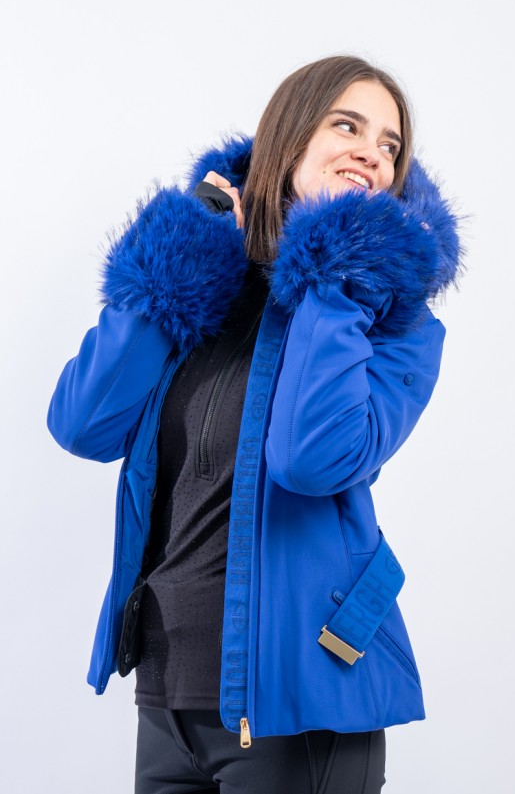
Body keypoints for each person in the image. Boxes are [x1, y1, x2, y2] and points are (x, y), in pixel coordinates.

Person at [47, 55, 462, 793]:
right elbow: (83, 423)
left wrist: (340, 270)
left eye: (390, 144)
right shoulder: (204, 286)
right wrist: (176, 263)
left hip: (299, 708)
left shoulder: (393, 321)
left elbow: (311, 456)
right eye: (348, 125)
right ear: (289, 136)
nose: (373, 151)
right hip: (168, 701)